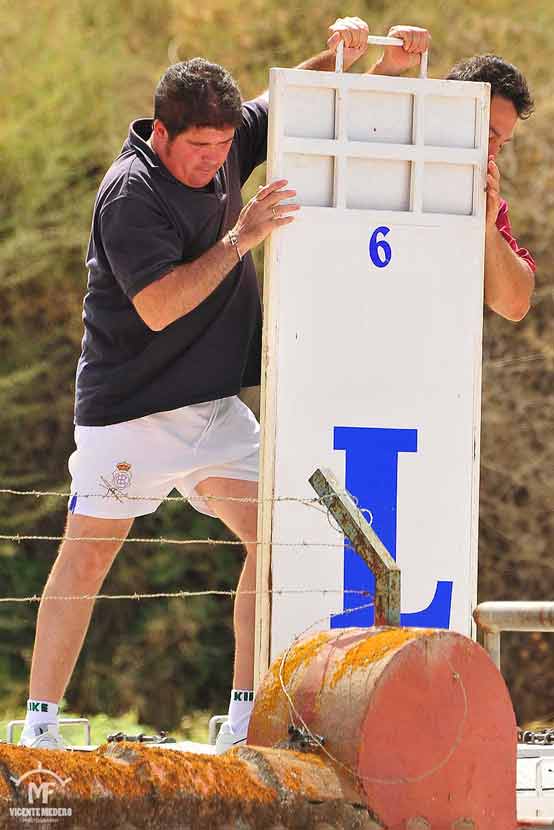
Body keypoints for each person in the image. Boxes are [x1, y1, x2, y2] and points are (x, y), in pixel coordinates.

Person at [20, 26, 429, 754]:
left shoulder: (229, 135)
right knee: (86, 560)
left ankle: (243, 716)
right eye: (198, 150)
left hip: (214, 413)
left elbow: (294, 98)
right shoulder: (130, 194)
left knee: (276, 545)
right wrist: (240, 239)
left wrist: (358, 54)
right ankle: (43, 725)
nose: (213, 161)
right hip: (130, 414)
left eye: (221, 148)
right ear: (161, 131)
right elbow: (158, 305)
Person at [327, 18, 536, 320]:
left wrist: (488, 229)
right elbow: (348, 131)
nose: (492, 152)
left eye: (501, 143)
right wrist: (388, 67)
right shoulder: (399, 140)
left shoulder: (484, 202)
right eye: (489, 134)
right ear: (450, 108)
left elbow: (515, 305)